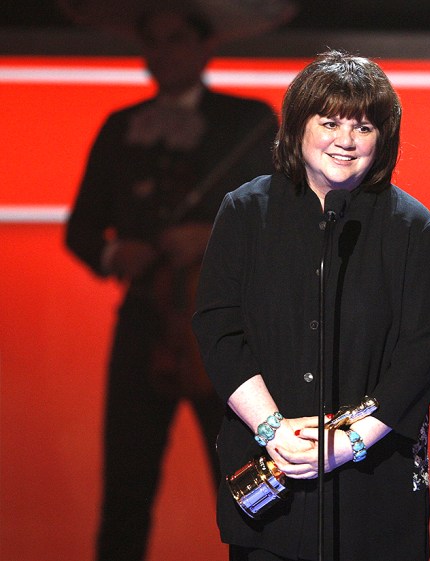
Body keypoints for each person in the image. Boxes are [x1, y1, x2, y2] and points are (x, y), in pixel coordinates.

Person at [192, 49, 430, 561]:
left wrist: (349, 443)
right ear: (297, 127)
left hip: (372, 485)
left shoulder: (413, 229)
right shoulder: (245, 212)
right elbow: (218, 328)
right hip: (273, 475)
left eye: (363, 127)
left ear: (384, 138)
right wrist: (273, 428)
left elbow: (419, 355)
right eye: (329, 121)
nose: (346, 141)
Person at [65, 8, 279, 561]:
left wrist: (212, 237)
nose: (163, 53)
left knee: (250, 490)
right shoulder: (120, 126)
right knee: (126, 486)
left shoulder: (249, 120)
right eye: (152, 42)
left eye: (177, 40)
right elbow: (82, 229)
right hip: (145, 324)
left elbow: (287, 218)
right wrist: (117, 251)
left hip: (230, 332)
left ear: (206, 47)